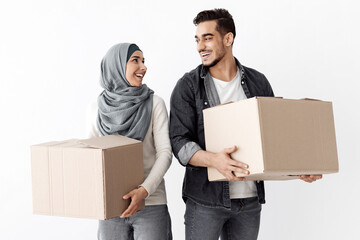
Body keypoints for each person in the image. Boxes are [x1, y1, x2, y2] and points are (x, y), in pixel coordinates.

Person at [169, 8, 322, 240]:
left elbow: (274, 137)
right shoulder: (188, 86)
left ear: (228, 39)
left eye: (208, 38)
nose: (200, 46)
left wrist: (299, 167)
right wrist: (214, 160)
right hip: (205, 202)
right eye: (197, 39)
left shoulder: (258, 82)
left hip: (248, 203)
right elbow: (179, 142)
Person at [87, 43, 172, 240]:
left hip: (151, 202)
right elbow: (90, 158)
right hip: (111, 207)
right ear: (115, 66)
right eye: (135, 60)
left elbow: (165, 153)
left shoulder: (154, 103)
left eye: (143, 61)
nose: (143, 67)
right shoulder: (95, 110)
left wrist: (144, 191)